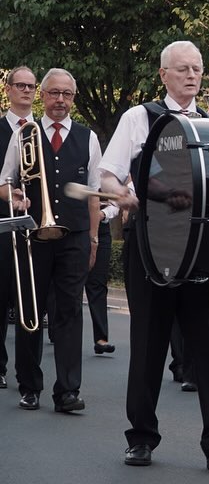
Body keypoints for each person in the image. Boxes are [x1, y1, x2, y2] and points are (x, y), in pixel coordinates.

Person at [99, 40, 209, 470]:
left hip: (202, 250)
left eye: (197, 68)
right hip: (152, 247)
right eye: (182, 69)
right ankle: (141, 437)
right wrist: (121, 195)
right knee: (148, 343)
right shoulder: (139, 117)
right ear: (164, 74)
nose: (192, 75)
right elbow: (107, 174)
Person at [1, 68, 102, 413]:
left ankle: (68, 391)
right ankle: (30, 386)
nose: (60, 100)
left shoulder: (88, 137)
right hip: (34, 237)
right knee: (32, 309)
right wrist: (15, 197)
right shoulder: (25, 134)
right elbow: (5, 181)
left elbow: (93, 193)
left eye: (67, 94)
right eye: (54, 93)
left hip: (73, 237)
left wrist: (93, 238)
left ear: (74, 98)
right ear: (42, 96)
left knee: (70, 312)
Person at [0, 66, 36, 392]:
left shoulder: (42, 131)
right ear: (8, 89)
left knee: (29, 299)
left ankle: (28, 374)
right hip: (1, 225)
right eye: (20, 85)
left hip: (36, 227)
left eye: (31, 86)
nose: (26, 90)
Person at [85, 202, 120, 355]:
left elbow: (117, 203)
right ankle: (60, 334)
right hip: (76, 225)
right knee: (68, 286)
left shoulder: (109, 177)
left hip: (101, 228)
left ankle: (101, 338)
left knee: (98, 284)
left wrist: (102, 213)